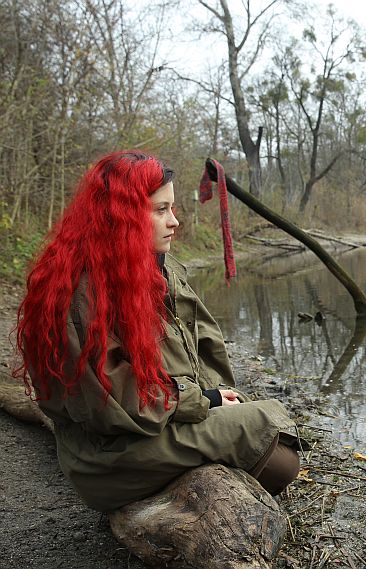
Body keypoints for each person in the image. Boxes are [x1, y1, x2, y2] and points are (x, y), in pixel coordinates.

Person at [14, 150, 300, 512]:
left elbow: (203, 352)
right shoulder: (80, 295)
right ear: (122, 215)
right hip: (111, 455)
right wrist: (204, 402)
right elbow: (115, 403)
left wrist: (217, 395)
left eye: (173, 208)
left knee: (266, 436)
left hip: (160, 422)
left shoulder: (161, 270)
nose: (174, 222)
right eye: (160, 210)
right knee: (278, 455)